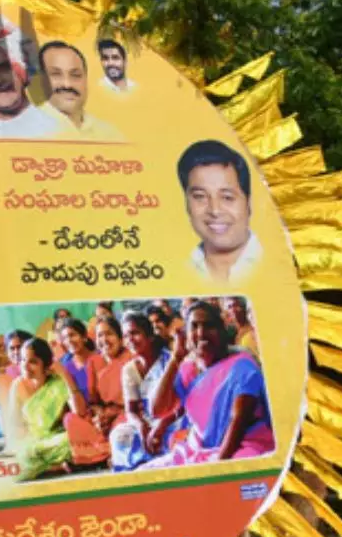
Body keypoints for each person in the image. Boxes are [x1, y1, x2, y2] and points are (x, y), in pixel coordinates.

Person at [143, 302, 277, 468]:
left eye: (209, 326)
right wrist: (176, 358)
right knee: (148, 471)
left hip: (241, 446)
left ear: (222, 331)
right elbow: (157, 410)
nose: (201, 333)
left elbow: (238, 422)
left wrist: (216, 471)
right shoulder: (188, 368)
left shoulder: (242, 366)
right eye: (194, 326)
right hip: (198, 450)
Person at [178, 140, 263, 283]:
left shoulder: (278, 262)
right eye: (200, 197)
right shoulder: (179, 271)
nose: (215, 210)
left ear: (248, 202)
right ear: (187, 203)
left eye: (227, 197)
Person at [7, 337, 90, 481]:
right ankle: (56, 467)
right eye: (22, 360)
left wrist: (65, 375)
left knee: (72, 441)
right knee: (20, 457)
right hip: (33, 441)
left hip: (57, 440)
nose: (25, 366)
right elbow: (15, 426)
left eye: (33, 362)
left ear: (45, 364)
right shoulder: (17, 385)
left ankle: (45, 467)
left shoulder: (58, 382)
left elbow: (80, 411)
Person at [110, 311, 175, 472]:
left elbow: (182, 402)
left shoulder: (170, 361)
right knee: (119, 435)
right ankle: (136, 469)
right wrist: (142, 427)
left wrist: (162, 423)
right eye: (126, 336)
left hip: (173, 418)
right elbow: (130, 411)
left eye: (135, 333)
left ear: (150, 336)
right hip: (147, 420)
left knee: (176, 436)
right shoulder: (129, 369)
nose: (130, 340)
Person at [38, 41, 122, 140]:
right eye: (56, 74)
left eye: (76, 75)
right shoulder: (26, 131)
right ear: (41, 80)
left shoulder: (110, 135)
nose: (67, 84)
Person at [57, 318, 109, 466]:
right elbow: (71, 402)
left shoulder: (99, 358)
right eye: (65, 338)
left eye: (73, 335)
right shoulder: (66, 367)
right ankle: (98, 455)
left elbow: (107, 392)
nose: (69, 341)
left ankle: (96, 456)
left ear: (84, 337)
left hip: (102, 412)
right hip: (82, 415)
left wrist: (99, 411)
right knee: (70, 419)